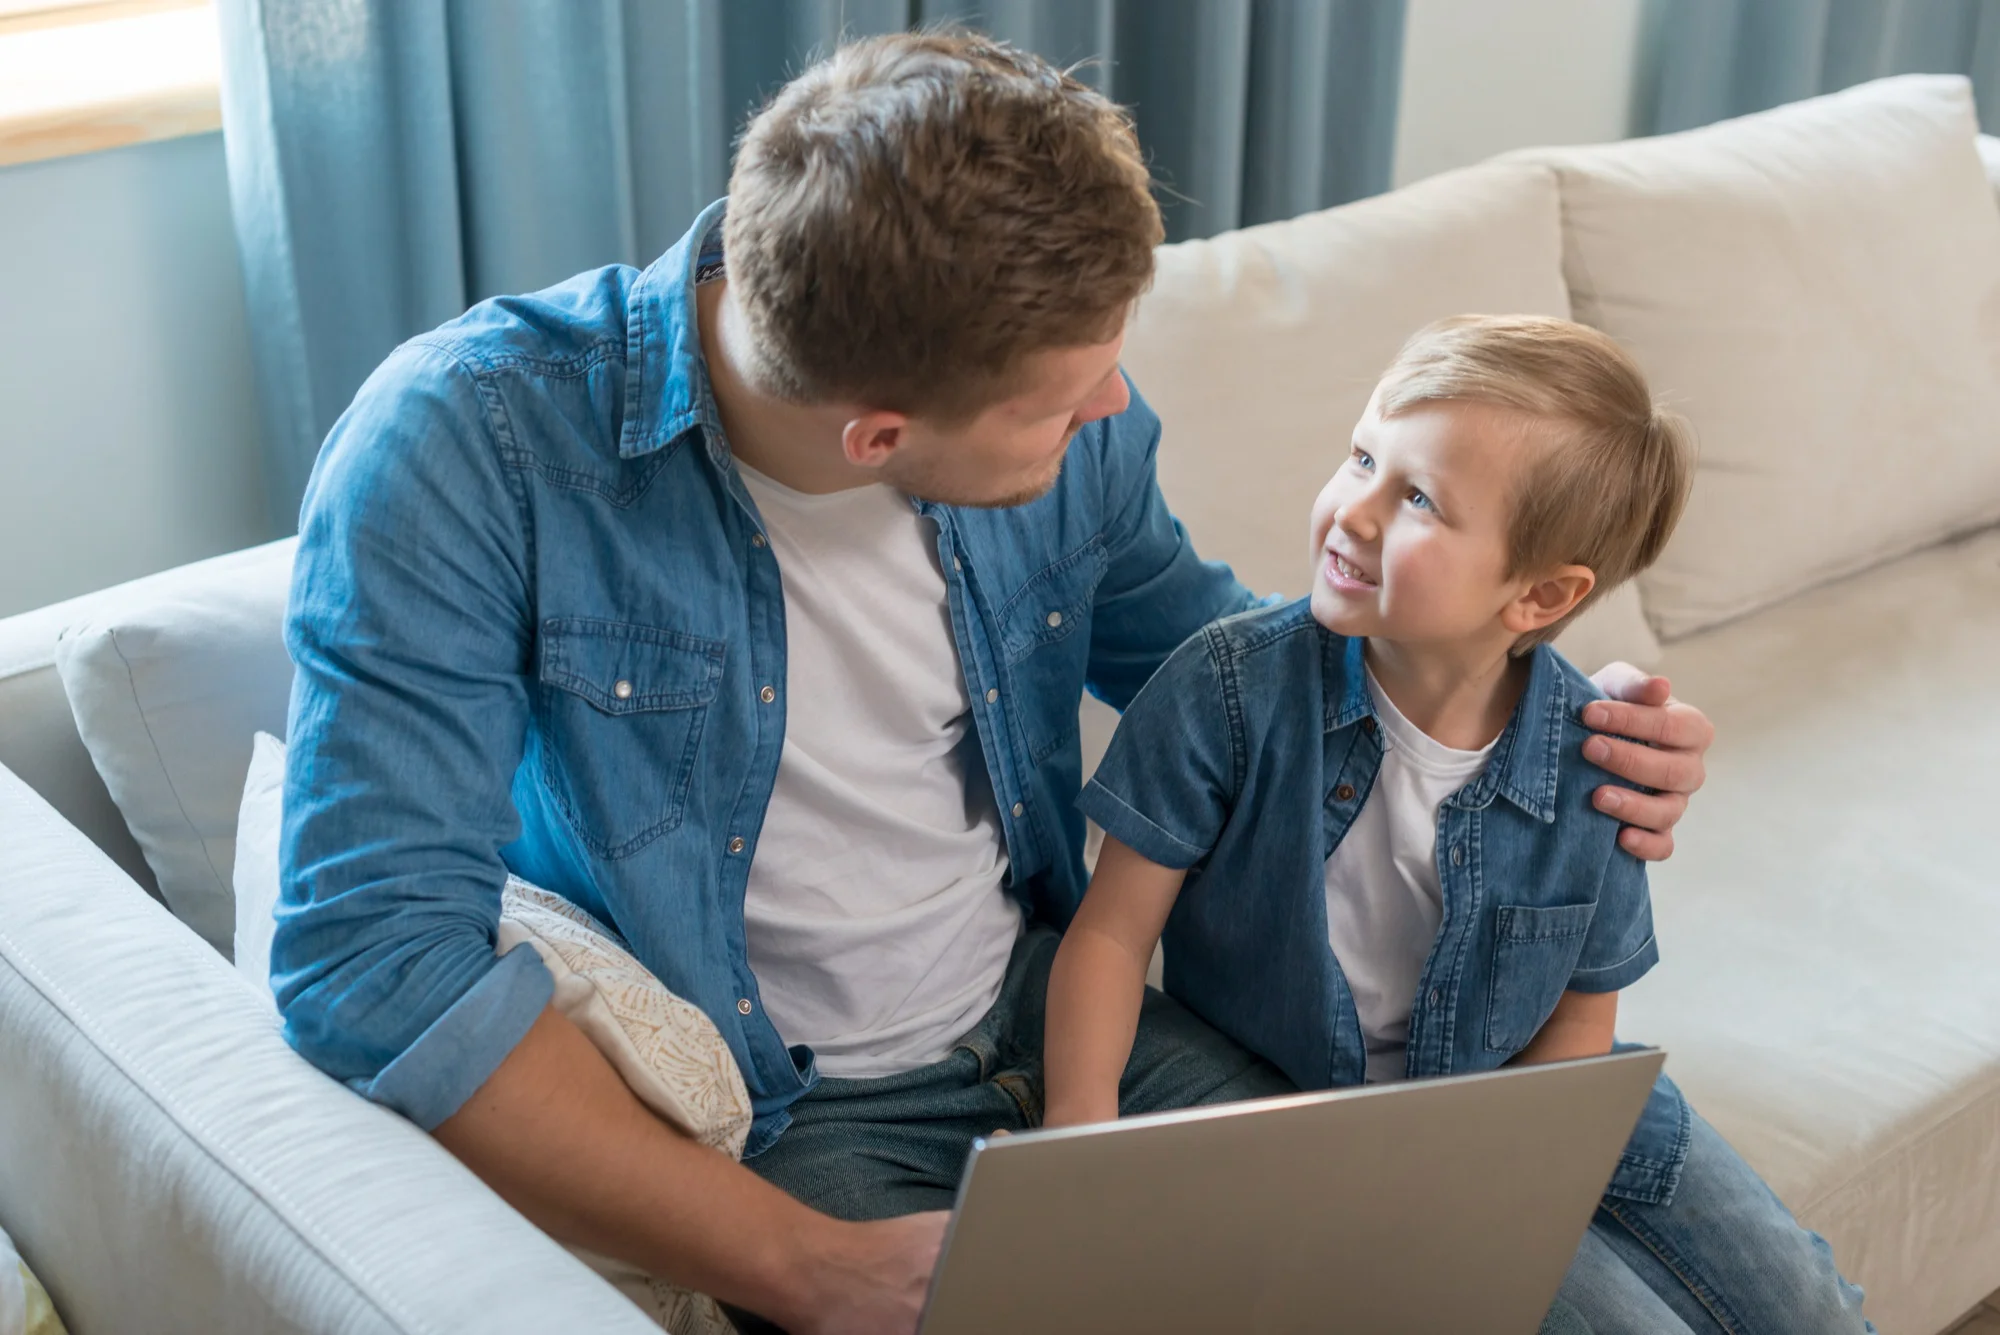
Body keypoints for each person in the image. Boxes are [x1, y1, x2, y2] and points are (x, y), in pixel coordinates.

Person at [274, 32, 1715, 1335]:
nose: (1112, 407)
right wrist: (799, 1262)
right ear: (878, 432)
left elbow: (1234, 663)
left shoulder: (1081, 434)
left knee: (1465, 1277)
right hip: (800, 1109)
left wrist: (1554, 712)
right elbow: (373, 957)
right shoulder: (470, 451)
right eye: (1067, 393)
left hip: (1053, 1002)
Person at [1041, 314, 1870, 1333]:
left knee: (1810, 1305)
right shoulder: (1225, 688)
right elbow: (1111, 935)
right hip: (1328, 1132)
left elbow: (1578, 1020)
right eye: (1359, 459)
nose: (1353, 513)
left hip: (1534, 1123)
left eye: (1417, 498)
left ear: (1541, 596)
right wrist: (1076, 1143)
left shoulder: (1593, 757)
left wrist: (1518, 1193)